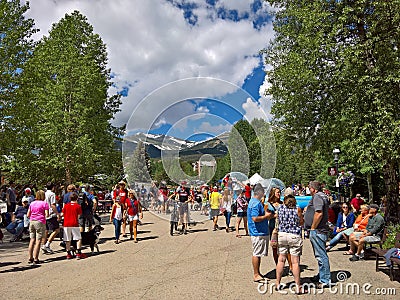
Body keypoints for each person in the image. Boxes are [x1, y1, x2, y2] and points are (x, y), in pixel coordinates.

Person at [304, 181, 333, 287]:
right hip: (320, 230)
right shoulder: (323, 196)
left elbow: (319, 213)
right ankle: (322, 275)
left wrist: (313, 227)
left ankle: (325, 280)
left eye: (309, 188)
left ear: (312, 189)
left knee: (321, 255)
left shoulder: (317, 197)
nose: (308, 190)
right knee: (320, 255)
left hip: (318, 230)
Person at [275, 194, 305, 294]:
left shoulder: (280, 208)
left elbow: (278, 220)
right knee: (295, 262)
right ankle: (298, 287)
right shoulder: (297, 209)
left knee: (281, 260)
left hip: (282, 235)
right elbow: (301, 222)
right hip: (294, 235)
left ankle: (277, 283)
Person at [247, 183, 273, 282]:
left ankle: (257, 273)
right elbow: (254, 218)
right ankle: (256, 274)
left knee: (258, 253)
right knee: (257, 253)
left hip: (258, 231)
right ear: (259, 192)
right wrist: (266, 216)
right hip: (258, 232)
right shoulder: (256, 203)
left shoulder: (254, 202)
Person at [27, 190, 49, 265]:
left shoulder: (32, 203)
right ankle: (36, 258)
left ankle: (30, 257)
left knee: (32, 240)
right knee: (38, 240)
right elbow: (47, 214)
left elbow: (28, 214)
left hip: (32, 221)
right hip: (40, 221)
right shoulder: (44, 203)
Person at [62, 193, 87, 259]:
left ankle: (68, 253)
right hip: (74, 223)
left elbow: (63, 214)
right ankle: (78, 253)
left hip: (66, 224)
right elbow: (78, 216)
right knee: (78, 238)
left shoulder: (66, 206)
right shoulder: (78, 206)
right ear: (77, 199)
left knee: (68, 239)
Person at [42, 182, 61, 254]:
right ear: (53, 187)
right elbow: (53, 205)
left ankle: (43, 245)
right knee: (56, 230)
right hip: (50, 214)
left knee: (46, 230)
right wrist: (57, 214)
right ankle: (47, 244)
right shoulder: (52, 194)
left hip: (44, 214)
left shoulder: (44, 193)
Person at [266, 187, 282, 265]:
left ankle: (282, 263)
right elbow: (266, 216)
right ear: (273, 193)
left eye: (279, 192)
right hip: (272, 228)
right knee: (275, 247)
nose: (279, 194)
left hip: (282, 228)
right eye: (277, 192)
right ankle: (278, 264)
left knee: (283, 248)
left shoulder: (282, 203)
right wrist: (274, 215)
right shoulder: (268, 204)